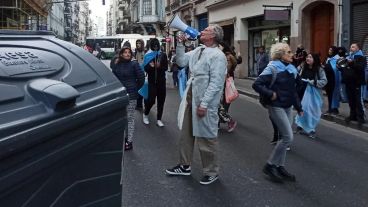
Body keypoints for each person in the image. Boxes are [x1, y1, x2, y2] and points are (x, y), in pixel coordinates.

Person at [165, 25, 227, 185]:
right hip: (191, 99)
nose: (202, 31)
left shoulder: (218, 56)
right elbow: (181, 61)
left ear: (213, 36)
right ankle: (185, 166)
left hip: (205, 102)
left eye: (206, 30)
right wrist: (180, 44)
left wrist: (204, 104)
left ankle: (211, 172)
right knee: (186, 135)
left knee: (207, 137)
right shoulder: (199, 50)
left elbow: (216, 83)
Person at [252, 42, 303, 183]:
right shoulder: (273, 68)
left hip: (287, 106)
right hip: (276, 106)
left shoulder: (292, 69)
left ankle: (279, 167)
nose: (292, 54)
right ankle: (269, 165)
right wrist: (270, 93)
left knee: (284, 137)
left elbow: (294, 90)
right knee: (288, 137)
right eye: (289, 52)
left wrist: (299, 107)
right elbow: (256, 84)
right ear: (281, 55)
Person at [111, 47, 145, 150]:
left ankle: (129, 141)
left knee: (130, 118)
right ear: (121, 54)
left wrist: (135, 88)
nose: (127, 54)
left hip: (131, 95)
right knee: (120, 118)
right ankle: (121, 139)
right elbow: (113, 78)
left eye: (129, 52)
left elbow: (141, 78)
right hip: (120, 95)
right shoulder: (117, 64)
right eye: (125, 52)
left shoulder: (134, 64)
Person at [295, 53, 327, 138]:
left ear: (315, 59)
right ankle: (300, 125)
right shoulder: (302, 66)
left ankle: (311, 129)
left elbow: (324, 81)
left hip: (313, 93)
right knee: (301, 109)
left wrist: (314, 82)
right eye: (307, 57)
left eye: (310, 57)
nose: (308, 58)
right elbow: (295, 73)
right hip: (302, 91)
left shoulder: (319, 69)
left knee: (312, 111)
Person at [142, 38, 168, 127]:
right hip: (152, 82)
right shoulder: (147, 55)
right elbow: (145, 69)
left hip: (161, 82)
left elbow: (166, 68)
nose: (156, 47)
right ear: (151, 46)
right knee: (151, 100)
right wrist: (151, 66)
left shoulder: (163, 55)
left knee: (161, 100)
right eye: (154, 46)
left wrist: (159, 66)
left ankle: (159, 119)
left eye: (157, 45)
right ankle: (145, 114)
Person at [340, 43, 367, 126]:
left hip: (357, 83)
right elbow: (343, 67)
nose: (351, 48)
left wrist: (351, 63)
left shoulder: (361, 57)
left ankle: (360, 118)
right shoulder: (348, 57)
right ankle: (353, 115)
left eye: (353, 47)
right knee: (351, 100)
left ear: (358, 48)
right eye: (351, 46)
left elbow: (360, 67)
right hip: (349, 82)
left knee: (358, 100)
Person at [218, 41, 237, 132]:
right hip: (223, 81)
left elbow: (226, 70)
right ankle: (219, 122)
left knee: (220, 104)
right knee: (220, 104)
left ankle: (228, 120)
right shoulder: (224, 56)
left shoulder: (227, 57)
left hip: (224, 81)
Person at [323, 46, 340, 115]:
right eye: (329, 49)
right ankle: (330, 108)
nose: (329, 51)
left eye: (331, 50)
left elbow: (335, 69)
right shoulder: (328, 58)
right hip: (328, 79)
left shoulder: (337, 58)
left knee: (334, 94)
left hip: (334, 79)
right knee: (329, 94)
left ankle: (335, 109)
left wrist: (326, 67)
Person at [134, 39, 146, 111]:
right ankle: (139, 105)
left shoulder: (143, 52)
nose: (138, 44)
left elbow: (142, 63)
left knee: (142, 90)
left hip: (142, 74)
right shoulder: (137, 51)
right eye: (137, 43)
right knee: (138, 90)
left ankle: (141, 105)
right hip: (137, 73)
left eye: (139, 43)